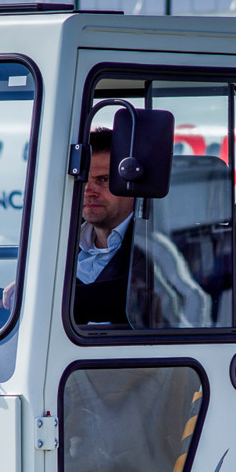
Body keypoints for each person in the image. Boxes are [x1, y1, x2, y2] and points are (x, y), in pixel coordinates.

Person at [72, 128, 137, 326]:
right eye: (82, 180)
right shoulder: (60, 240)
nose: (88, 191)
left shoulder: (155, 240)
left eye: (104, 180)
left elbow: (133, 294)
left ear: (134, 184)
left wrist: (40, 295)